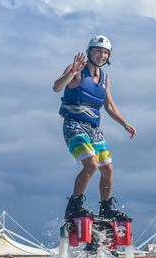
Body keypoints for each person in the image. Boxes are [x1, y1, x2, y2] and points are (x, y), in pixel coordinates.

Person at [53, 35, 136, 221]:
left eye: (106, 52)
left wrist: (126, 124)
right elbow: (57, 88)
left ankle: (105, 207)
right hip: (74, 123)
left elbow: (110, 106)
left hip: (93, 128)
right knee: (91, 165)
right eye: (98, 50)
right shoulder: (77, 69)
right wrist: (72, 71)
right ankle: (74, 205)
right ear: (90, 51)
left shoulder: (105, 78)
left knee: (108, 168)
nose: (102, 55)